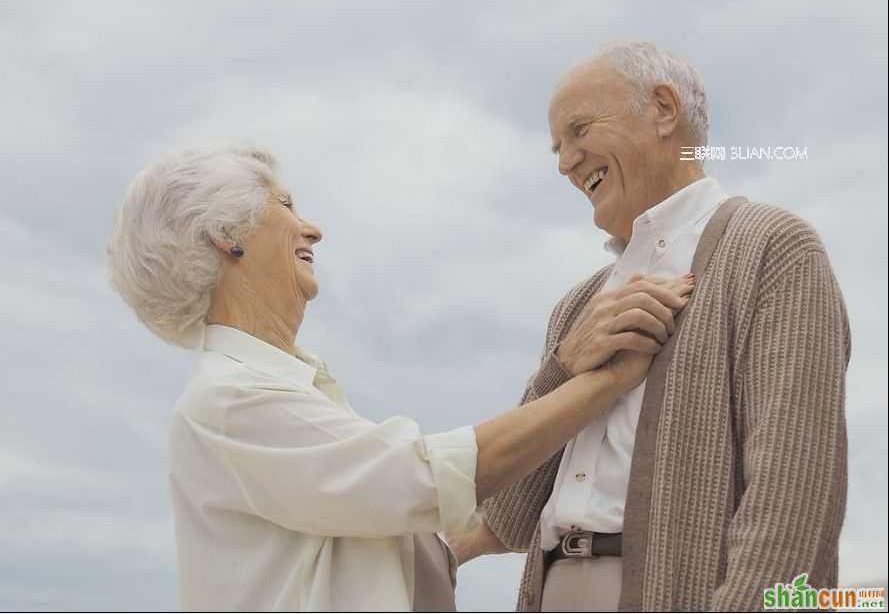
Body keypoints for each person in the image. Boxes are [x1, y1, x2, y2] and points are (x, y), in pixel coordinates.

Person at [105, 145, 693, 611]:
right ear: (225, 236)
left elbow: (376, 526)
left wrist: (480, 534)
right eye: (285, 206)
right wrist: (605, 379)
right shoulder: (230, 400)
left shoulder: (276, 392)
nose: (312, 229)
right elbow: (419, 480)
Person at [450, 40, 851, 612]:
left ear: (664, 109)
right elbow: (512, 513)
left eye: (579, 129)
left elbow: (794, 491)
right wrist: (564, 365)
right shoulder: (579, 304)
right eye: (557, 147)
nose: (565, 161)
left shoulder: (773, 248)